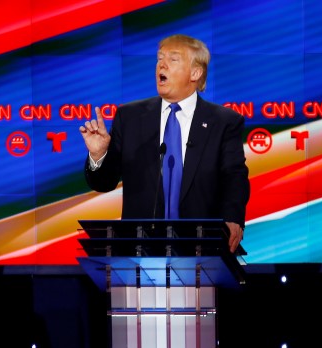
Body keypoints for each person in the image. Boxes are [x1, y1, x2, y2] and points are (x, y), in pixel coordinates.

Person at [79, 34, 250, 253]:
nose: (162, 64)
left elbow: (234, 176)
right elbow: (104, 182)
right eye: (160, 58)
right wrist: (99, 156)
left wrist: (233, 218)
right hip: (139, 253)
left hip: (201, 251)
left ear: (195, 73)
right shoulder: (129, 117)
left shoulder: (224, 121)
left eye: (173, 59)